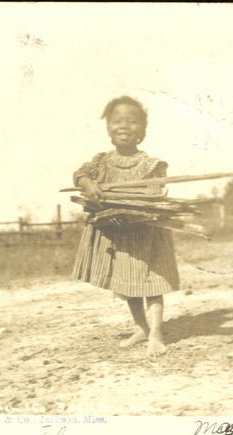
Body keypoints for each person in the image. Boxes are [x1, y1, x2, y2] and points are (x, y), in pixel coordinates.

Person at [72, 96, 179, 357]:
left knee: (151, 283)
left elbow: (155, 194)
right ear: (108, 128)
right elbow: (80, 175)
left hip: (145, 234)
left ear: (142, 131)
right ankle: (141, 326)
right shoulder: (100, 162)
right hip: (118, 235)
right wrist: (89, 184)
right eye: (117, 121)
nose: (124, 126)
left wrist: (133, 209)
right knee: (128, 282)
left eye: (132, 122)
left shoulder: (151, 164)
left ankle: (156, 333)